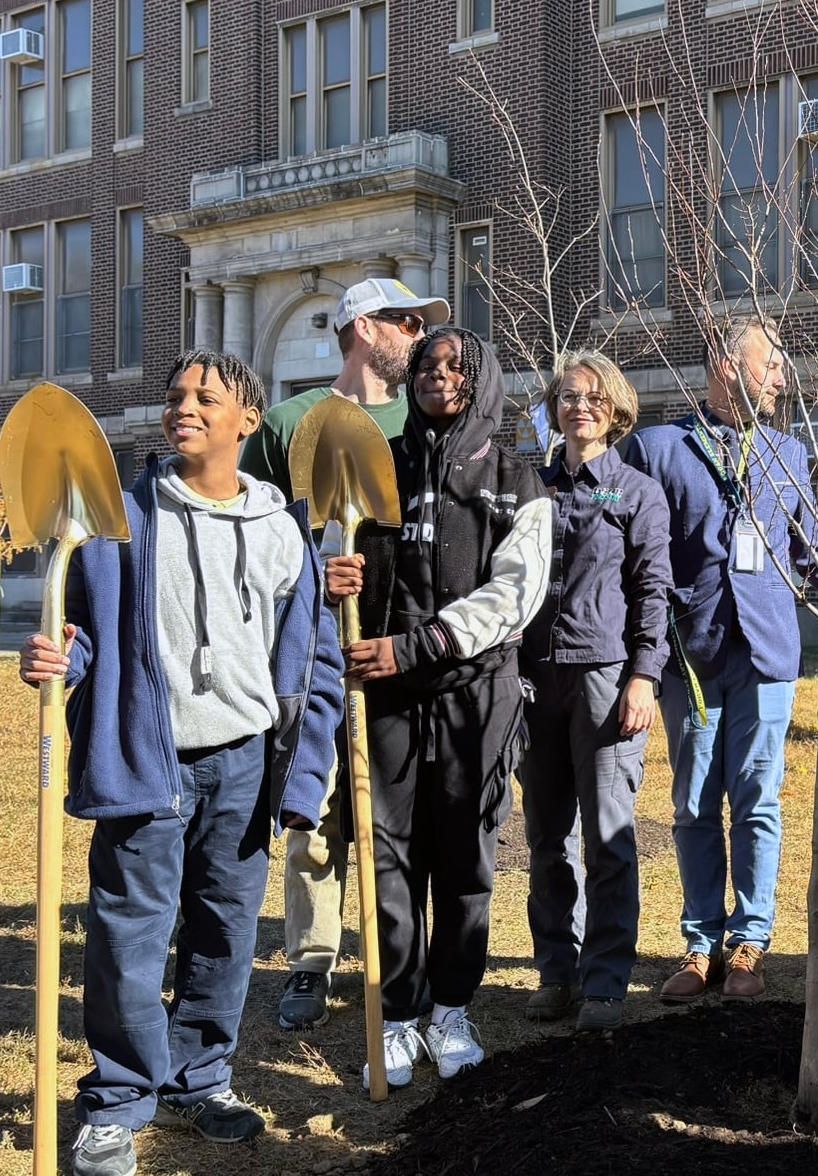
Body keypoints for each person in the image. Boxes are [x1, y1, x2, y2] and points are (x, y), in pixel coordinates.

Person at [19, 351, 344, 1176]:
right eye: (174, 397)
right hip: (145, 757)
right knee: (129, 934)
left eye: (206, 396)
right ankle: (119, 1101)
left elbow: (311, 664)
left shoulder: (282, 529)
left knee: (225, 934)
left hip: (242, 762)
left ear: (248, 420)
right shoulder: (116, 520)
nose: (183, 408)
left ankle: (200, 1080)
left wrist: (302, 778)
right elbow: (86, 629)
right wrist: (62, 657)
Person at [624, 317, 818, 1003]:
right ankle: (699, 945)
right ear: (726, 366)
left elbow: (813, 551)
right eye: (773, 364)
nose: (783, 378)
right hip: (689, 659)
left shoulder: (786, 453)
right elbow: (628, 552)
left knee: (756, 802)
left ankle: (749, 945)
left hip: (765, 657)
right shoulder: (656, 450)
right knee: (695, 804)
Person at [326, 326, 552, 1089]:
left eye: (458, 365)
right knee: (389, 855)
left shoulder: (519, 480)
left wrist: (418, 645)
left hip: (474, 695)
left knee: (463, 860)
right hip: (386, 697)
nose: (438, 375)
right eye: (427, 364)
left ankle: (451, 1009)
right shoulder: (375, 470)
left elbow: (514, 596)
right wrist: (340, 579)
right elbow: (341, 546)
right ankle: (395, 1017)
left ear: (482, 381)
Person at [238, 275, 448, 1033]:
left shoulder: (426, 422)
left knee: (398, 810)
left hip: (403, 642)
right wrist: (304, 568)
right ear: (363, 328)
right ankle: (312, 960)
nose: (416, 336)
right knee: (315, 811)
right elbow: (251, 528)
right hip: (314, 648)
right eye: (404, 322)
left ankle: (399, 955)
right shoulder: (293, 422)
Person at [518, 351, 671, 1032]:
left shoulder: (635, 492)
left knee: (607, 836)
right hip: (534, 679)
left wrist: (644, 676)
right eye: (568, 397)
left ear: (615, 409)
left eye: (593, 398)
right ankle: (558, 971)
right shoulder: (530, 487)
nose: (579, 407)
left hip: (606, 677)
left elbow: (653, 593)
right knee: (546, 836)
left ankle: (605, 982)